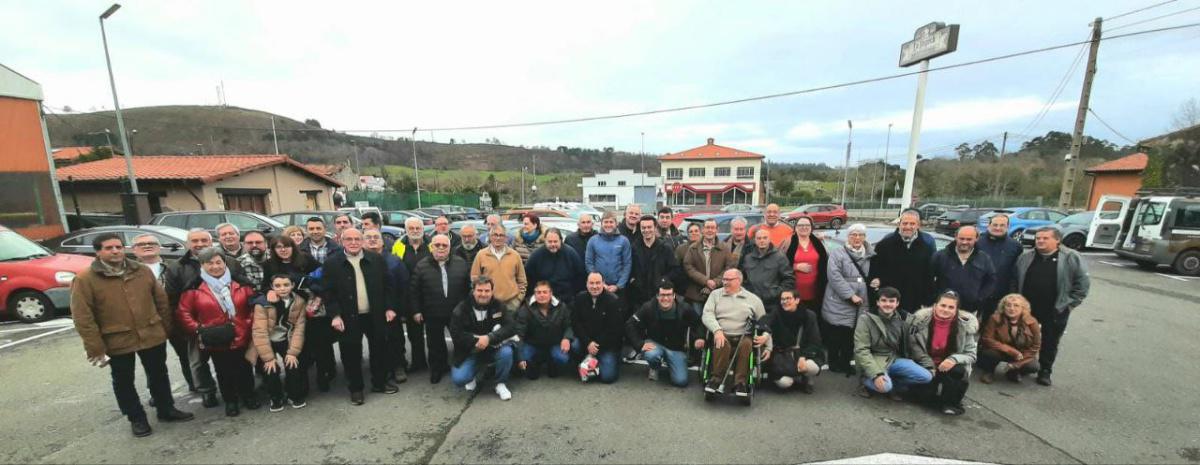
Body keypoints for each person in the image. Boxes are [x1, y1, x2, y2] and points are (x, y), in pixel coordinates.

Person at [70, 233, 193, 437]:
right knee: (123, 380)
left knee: (158, 374)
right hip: (116, 339)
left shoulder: (141, 271)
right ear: (98, 252)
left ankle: (166, 409)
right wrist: (95, 347)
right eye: (109, 248)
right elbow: (83, 317)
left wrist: (165, 328)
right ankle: (136, 418)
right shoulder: (85, 279)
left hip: (151, 333)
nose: (116, 251)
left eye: (118, 247)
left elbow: (161, 301)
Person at [176, 247, 258, 417]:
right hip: (216, 339)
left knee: (244, 368)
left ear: (224, 263)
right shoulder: (194, 288)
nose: (215, 266)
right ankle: (231, 401)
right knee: (224, 371)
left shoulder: (241, 284)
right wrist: (200, 330)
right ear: (202, 265)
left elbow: (253, 307)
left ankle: (248, 396)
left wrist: (247, 323)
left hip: (241, 333)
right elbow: (183, 313)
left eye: (218, 262)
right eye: (209, 263)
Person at [323, 228, 400, 405]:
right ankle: (356, 389)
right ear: (341, 241)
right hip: (348, 317)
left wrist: (389, 307)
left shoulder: (376, 259)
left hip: (375, 314)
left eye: (357, 239)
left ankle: (380, 383)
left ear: (362, 240)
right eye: (349, 239)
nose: (353, 242)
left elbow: (388, 285)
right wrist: (334, 315)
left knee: (379, 350)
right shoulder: (332, 263)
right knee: (351, 354)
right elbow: (328, 293)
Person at [1013, 225, 1090, 386]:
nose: (1040, 241)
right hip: (1027, 308)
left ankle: (1045, 371)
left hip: (1055, 309)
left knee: (1050, 341)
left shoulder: (1071, 257)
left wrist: (1069, 305)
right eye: (1038, 238)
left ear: (1057, 240)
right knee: (1023, 339)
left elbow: (1082, 284)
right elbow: (1015, 279)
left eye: (1045, 238)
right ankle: (1019, 367)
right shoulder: (1026, 257)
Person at [162, 229, 224, 408]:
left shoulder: (226, 261)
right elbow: (172, 300)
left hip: (223, 320)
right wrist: (184, 325)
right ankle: (207, 391)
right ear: (188, 244)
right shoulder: (176, 267)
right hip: (195, 323)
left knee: (225, 358)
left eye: (204, 240)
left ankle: (233, 387)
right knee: (198, 361)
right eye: (195, 241)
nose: (200, 244)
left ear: (211, 242)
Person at [131, 233, 194, 394]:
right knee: (153, 363)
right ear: (134, 250)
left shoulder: (174, 266)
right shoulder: (129, 272)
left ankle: (195, 384)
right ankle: (158, 394)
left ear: (159, 247)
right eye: (141, 244)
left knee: (186, 355)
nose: (147, 246)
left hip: (175, 319)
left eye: (151, 243)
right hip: (147, 323)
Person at [410, 233, 472, 384]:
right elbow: (414, 290)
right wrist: (416, 311)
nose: (441, 248)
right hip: (432, 313)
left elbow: (468, 288)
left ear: (450, 247)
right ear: (432, 246)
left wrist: (468, 308)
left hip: (457, 313)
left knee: (460, 342)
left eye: (445, 245)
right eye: (437, 245)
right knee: (435, 344)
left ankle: (461, 367)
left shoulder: (461, 263)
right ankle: (437, 369)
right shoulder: (421, 265)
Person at [907, 291, 979, 416]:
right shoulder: (918, 322)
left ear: (957, 310)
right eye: (943, 305)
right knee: (923, 399)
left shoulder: (965, 326)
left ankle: (950, 403)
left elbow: (971, 355)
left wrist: (954, 359)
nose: (946, 310)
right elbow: (912, 347)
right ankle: (930, 392)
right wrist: (928, 364)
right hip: (925, 364)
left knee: (958, 371)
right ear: (935, 306)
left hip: (948, 367)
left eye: (951, 307)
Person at [701, 269, 771, 397]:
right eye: (724, 279)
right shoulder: (715, 295)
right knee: (721, 343)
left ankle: (740, 383)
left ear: (739, 281)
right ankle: (715, 379)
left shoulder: (753, 299)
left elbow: (765, 323)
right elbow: (707, 314)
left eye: (729, 280)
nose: (725, 282)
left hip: (743, 335)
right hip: (722, 333)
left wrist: (768, 345)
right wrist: (717, 330)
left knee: (746, 345)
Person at [854, 287, 932, 398]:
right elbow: (861, 350)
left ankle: (891, 383)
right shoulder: (865, 319)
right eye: (884, 300)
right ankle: (865, 381)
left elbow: (922, 328)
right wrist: (876, 374)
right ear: (877, 302)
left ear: (897, 303)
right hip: (874, 359)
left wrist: (929, 366)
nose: (888, 304)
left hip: (894, 358)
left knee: (926, 377)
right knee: (885, 387)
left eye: (891, 301)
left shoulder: (904, 319)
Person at [449, 277, 518, 400]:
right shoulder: (461, 309)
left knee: (507, 352)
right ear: (473, 291)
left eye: (487, 291)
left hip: (493, 347)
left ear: (492, 291)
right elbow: (456, 334)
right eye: (480, 290)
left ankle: (500, 383)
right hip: (469, 350)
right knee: (459, 379)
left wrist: (489, 338)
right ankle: (473, 374)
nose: (483, 294)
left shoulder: (499, 306)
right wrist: (477, 341)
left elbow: (511, 327)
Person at [626, 280, 705, 387]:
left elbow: (698, 323)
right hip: (655, 343)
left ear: (674, 296)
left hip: (676, 348)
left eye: (669, 295)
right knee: (652, 355)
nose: (666, 298)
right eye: (663, 295)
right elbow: (630, 324)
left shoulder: (685, 308)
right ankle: (654, 366)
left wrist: (699, 338)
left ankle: (671, 361)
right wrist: (639, 344)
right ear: (657, 296)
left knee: (680, 381)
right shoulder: (648, 307)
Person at [248, 274, 308, 412]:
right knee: (270, 369)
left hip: (286, 338)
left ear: (292, 285)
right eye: (278, 286)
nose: (282, 289)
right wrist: (268, 358)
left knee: (293, 364)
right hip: (267, 340)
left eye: (286, 285)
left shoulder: (299, 301)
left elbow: (299, 328)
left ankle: (294, 395)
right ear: (271, 287)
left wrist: (293, 352)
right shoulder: (262, 303)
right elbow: (259, 332)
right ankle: (276, 397)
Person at [822, 223, 874, 374]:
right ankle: (833, 362)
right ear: (848, 237)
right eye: (853, 235)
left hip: (862, 300)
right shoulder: (837, 253)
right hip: (838, 300)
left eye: (860, 235)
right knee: (837, 333)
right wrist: (850, 295)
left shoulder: (870, 254)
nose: (857, 238)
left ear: (864, 237)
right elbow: (834, 276)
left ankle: (845, 363)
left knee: (852, 335)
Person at [365, 229, 412, 384]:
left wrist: (399, 309)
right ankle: (382, 369)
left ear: (382, 241)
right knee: (376, 341)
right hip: (368, 309)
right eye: (368, 237)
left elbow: (404, 285)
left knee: (395, 338)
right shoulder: (360, 261)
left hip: (392, 308)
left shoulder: (394, 261)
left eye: (376, 237)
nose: (372, 240)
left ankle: (399, 366)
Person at [869, 209, 935, 313]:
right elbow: (874, 273)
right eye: (905, 223)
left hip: (914, 304)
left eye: (912, 223)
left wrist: (927, 302)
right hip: (889, 303)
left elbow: (928, 278)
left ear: (918, 225)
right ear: (899, 224)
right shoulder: (884, 245)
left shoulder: (926, 248)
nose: (908, 227)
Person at [762, 289, 823, 393]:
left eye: (788, 298)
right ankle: (794, 376)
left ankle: (806, 377)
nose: (784, 301)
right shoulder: (776, 312)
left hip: (802, 352)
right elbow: (764, 322)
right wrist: (766, 333)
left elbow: (815, 340)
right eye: (782, 299)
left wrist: (804, 357)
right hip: (782, 354)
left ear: (797, 300)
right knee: (785, 383)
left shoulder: (809, 316)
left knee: (811, 367)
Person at [391, 217, 431, 372]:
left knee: (433, 333)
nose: (415, 231)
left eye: (417, 228)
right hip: (408, 296)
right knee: (415, 334)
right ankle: (418, 362)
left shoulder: (432, 245)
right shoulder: (398, 246)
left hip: (429, 295)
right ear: (406, 230)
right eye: (411, 228)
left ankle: (434, 362)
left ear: (422, 228)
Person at [570, 272, 625, 384]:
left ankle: (609, 360)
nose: (594, 286)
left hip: (607, 345)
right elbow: (576, 323)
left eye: (598, 283)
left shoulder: (613, 301)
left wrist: (596, 346)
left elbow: (615, 330)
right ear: (586, 284)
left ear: (603, 284)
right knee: (574, 346)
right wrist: (588, 343)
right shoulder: (580, 298)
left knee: (608, 378)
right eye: (591, 283)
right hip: (587, 342)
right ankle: (586, 361)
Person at [930, 226, 996, 315]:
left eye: (969, 239)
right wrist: (935, 297)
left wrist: (979, 299)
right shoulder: (940, 256)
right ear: (956, 237)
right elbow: (927, 278)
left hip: (970, 310)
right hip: (943, 309)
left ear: (976, 239)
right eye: (961, 238)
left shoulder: (984, 259)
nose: (964, 242)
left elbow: (991, 281)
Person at [979, 294, 1042, 384]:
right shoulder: (995, 318)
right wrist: (1010, 351)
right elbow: (987, 339)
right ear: (1003, 307)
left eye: (1016, 305)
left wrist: (1017, 364)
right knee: (989, 353)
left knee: (1033, 366)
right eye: (1008, 305)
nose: (1011, 308)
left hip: (1021, 354)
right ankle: (989, 371)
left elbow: (1036, 346)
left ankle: (1014, 372)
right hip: (1000, 351)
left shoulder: (1032, 322)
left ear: (1023, 308)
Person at [515, 282, 574, 379]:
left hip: (555, 343)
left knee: (562, 358)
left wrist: (567, 338)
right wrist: (520, 358)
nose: (542, 295)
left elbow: (569, 325)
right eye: (538, 292)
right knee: (524, 357)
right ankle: (536, 362)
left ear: (551, 293)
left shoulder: (561, 307)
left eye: (545, 292)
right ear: (534, 294)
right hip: (532, 344)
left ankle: (551, 362)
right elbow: (519, 334)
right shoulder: (525, 309)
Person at [628, 215, 680, 315]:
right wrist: (634, 281)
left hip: (659, 297)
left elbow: (675, 270)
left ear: (655, 227)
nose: (646, 230)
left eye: (649, 227)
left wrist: (663, 280)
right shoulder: (634, 247)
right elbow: (630, 268)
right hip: (639, 297)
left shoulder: (665, 248)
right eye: (643, 227)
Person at [976, 214, 1024, 322]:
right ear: (989, 226)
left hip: (1000, 296)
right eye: (995, 225)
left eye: (1002, 225)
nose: (998, 228)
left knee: (992, 329)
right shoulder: (977, 243)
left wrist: (1013, 294)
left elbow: (1016, 273)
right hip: (976, 293)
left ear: (1007, 227)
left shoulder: (1015, 247)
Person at [471, 225, 528, 311]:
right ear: (490, 237)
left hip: (511, 304)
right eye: (495, 235)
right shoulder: (481, 255)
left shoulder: (515, 255)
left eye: (501, 235)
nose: (498, 238)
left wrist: (518, 300)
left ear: (506, 238)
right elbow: (474, 279)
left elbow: (522, 281)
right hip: (488, 304)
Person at [738, 229, 795, 314]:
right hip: (752, 303)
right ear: (755, 240)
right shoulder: (748, 258)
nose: (762, 240)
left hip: (773, 304)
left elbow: (789, 279)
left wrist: (775, 293)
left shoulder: (779, 257)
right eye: (759, 238)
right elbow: (742, 279)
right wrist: (748, 292)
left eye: (765, 238)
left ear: (769, 239)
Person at [524, 228, 586, 306]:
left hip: (566, 300)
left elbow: (580, 277)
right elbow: (528, 278)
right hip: (543, 300)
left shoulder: (571, 254)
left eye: (555, 241)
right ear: (545, 241)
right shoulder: (536, 256)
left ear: (561, 240)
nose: (553, 244)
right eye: (550, 242)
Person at [682, 219, 734, 308]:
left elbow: (729, 268)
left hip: (718, 293)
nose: (710, 230)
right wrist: (705, 281)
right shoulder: (693, 248)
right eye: (707, 227)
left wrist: (715, 282)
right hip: (697, 294)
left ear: (717, 230)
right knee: (698, 321)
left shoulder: (725, 249)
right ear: (703, 230)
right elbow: (688, 267)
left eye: (712, 228)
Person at [585, 211, 632, 307]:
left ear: (616, 223)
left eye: (611, 222)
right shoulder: (593, 241)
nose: (608, 225)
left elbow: (627, 264)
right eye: (606, 222)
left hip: (618, 289)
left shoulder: (623, 241)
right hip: (598, 288)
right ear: (601, 223)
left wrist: (618, 285)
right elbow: (589, 263)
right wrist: (601, 284)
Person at [783, 216, 829, 313]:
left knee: (812, 318)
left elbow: (825, 264)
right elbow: (780, 264)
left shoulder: (818, 243)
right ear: (795, 228)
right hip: (793, 291)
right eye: (800, 225)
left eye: (807, 225)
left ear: (811, 227)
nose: (804, 227)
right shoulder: (788, 242)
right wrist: (796, 267)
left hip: (815, 291)